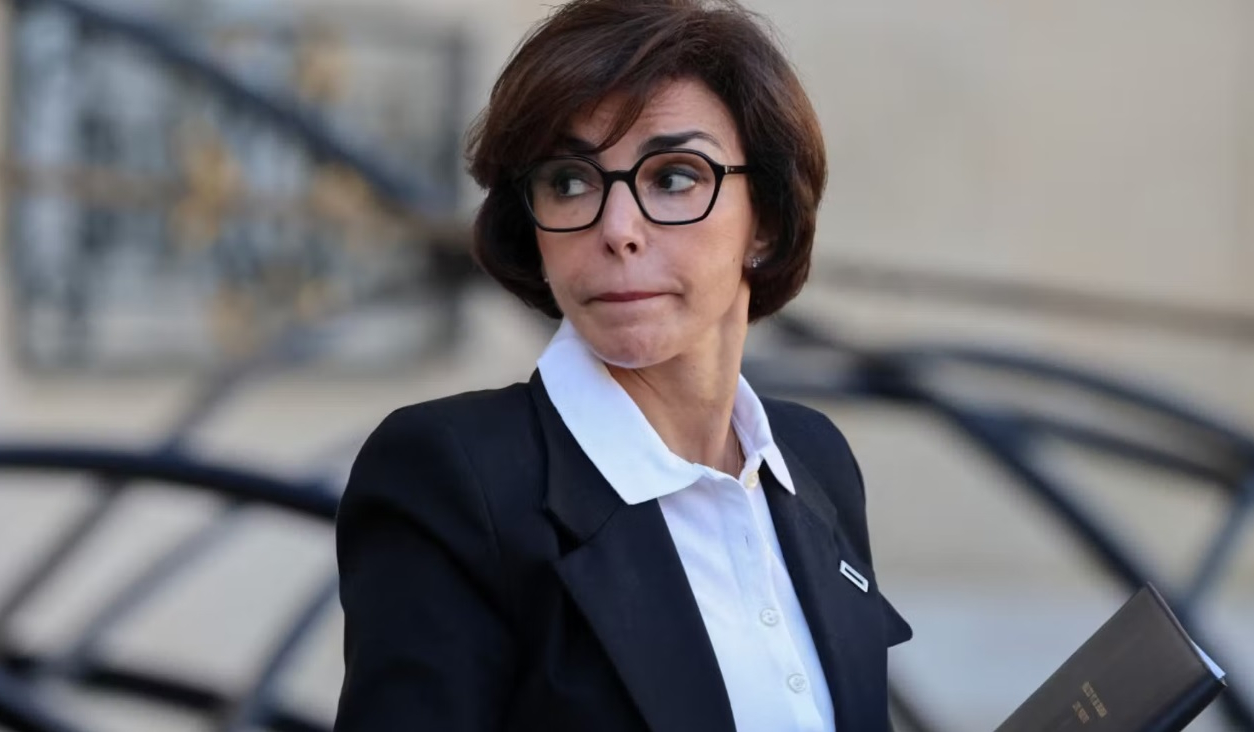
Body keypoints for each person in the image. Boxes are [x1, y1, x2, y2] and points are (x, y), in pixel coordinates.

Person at [333, 0, 912, 730]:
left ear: (764, 220)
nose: (617, 230)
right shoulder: (453, 476)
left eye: (672, 177)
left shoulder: (815, 461)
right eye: (569, 181)